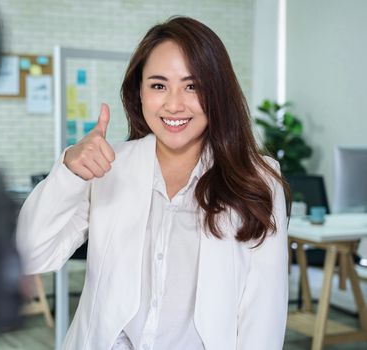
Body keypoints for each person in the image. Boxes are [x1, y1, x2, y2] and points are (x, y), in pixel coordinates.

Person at [16, 16, 289, 350]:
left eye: (193, 86)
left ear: (217, 92)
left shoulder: (257, 179)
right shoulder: (108, 166)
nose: (174, 104)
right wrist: (69, 172)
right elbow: (30, 254)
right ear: (139, 93)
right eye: (159, 85)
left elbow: (263, 316)